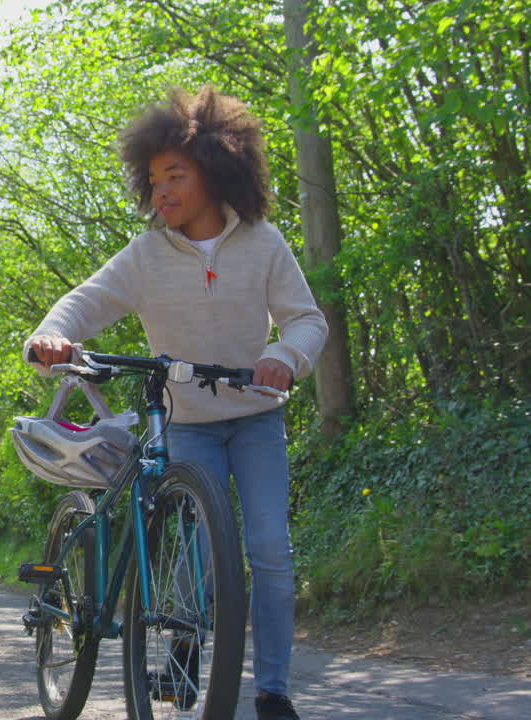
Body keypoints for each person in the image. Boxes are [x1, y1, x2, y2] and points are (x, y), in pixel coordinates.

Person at [25, 86, 327, 720]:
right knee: (193, 538)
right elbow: (85, 302)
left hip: (257, 419)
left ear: (216, 171)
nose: (160, 191)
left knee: (270, 549)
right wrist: (54, 334)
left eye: (175, 176)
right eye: (154, 178)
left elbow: (306, 321)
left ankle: (272, 691)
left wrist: (286, 356)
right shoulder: (146, 255)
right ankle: (184, 645)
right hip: (186, 423)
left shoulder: (265, 243)